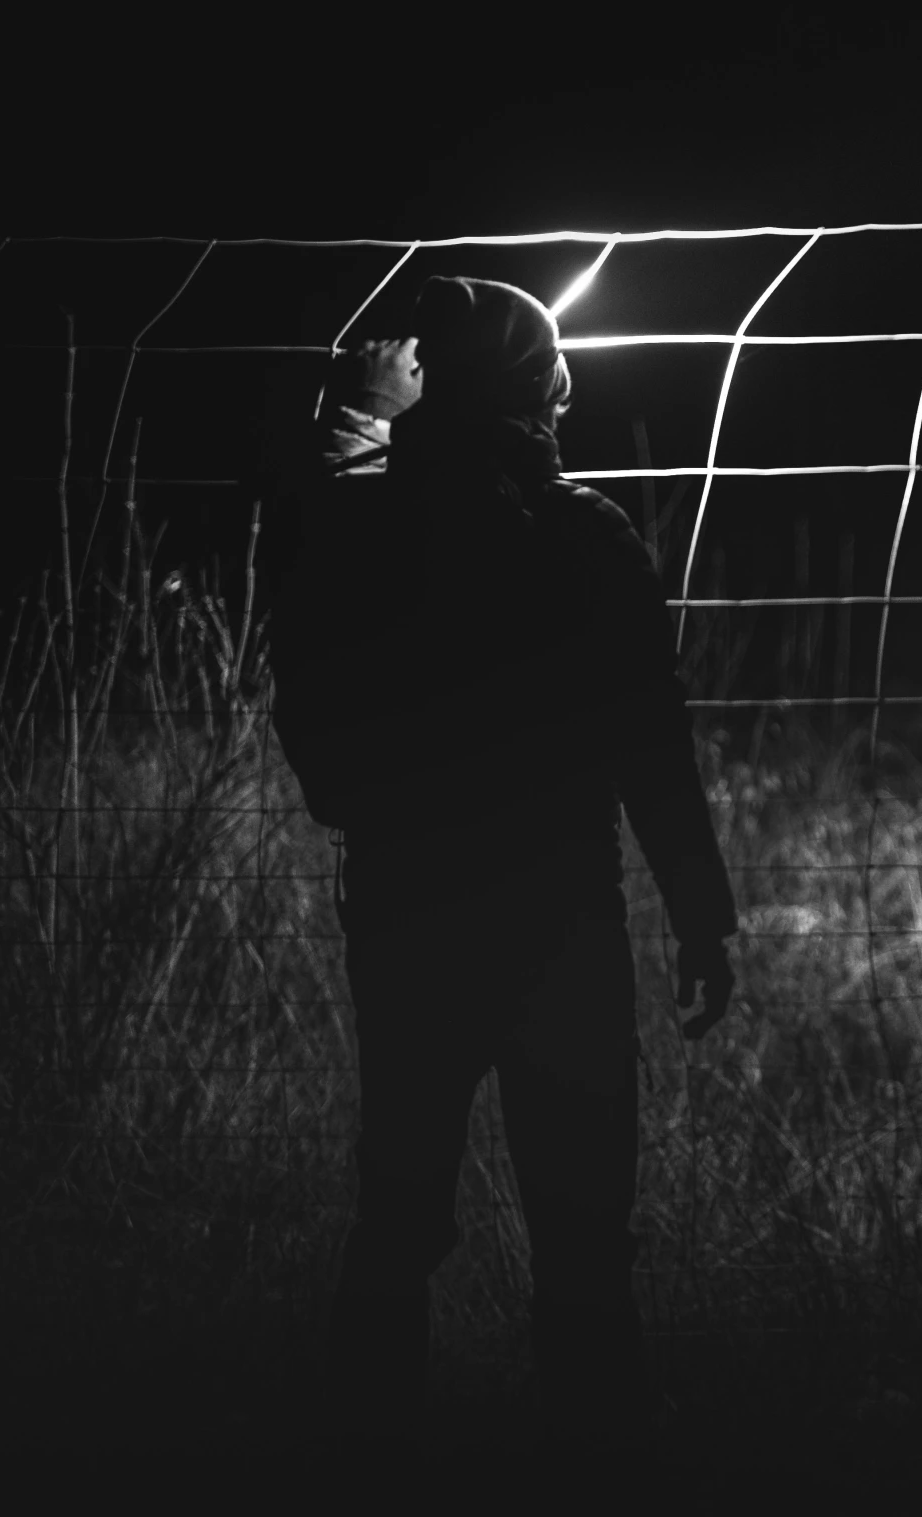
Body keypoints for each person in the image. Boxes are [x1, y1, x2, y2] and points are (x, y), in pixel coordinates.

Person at [269, 276, 739, 1452]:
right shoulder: (586, 535)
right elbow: (653, 735)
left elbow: (312, 643)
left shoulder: (364, 530)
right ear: (544, 392)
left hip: (410, 909)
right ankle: (601, 1443)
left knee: (399, 1205)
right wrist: (698, 906)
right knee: (585, 1216)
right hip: (561, 917)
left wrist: (354, 425)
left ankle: (364, 1447)